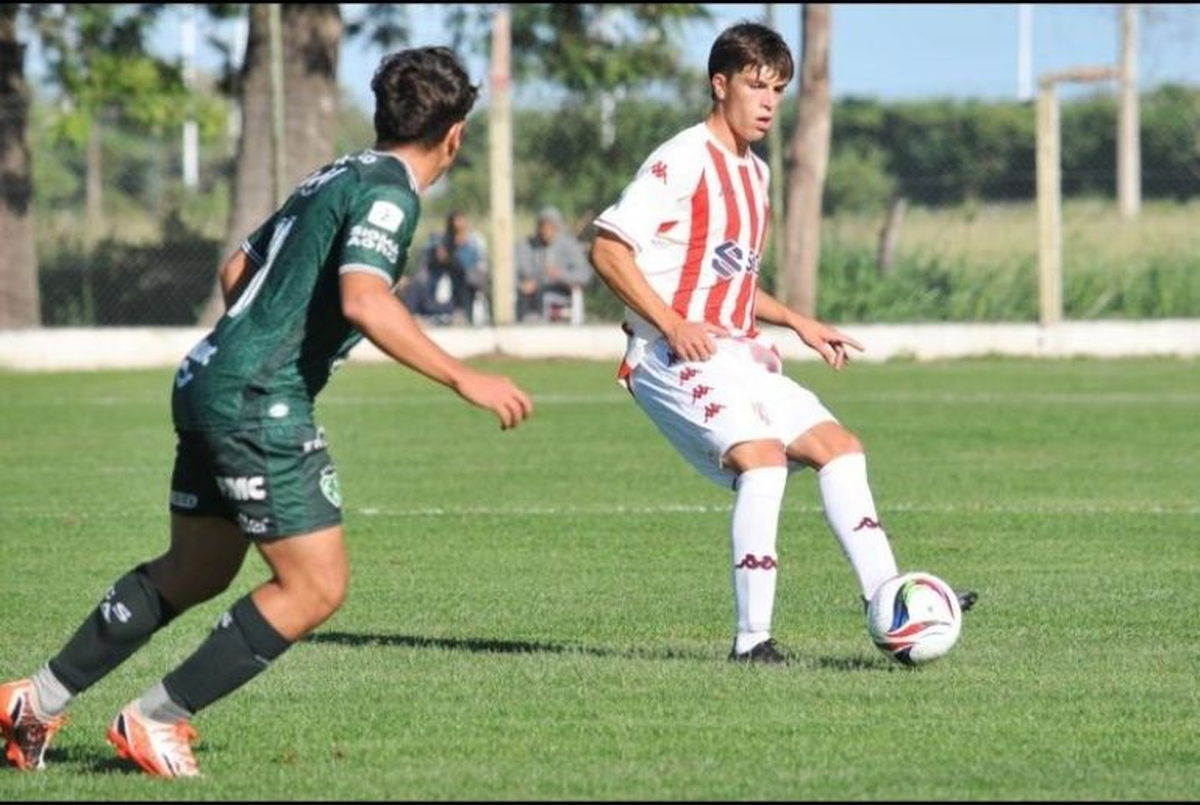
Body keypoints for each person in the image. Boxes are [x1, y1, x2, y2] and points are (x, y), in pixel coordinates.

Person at [0, 46, 533, 777]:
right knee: (316, 584)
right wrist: (462, 377)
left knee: (195, 569)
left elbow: (235, 270)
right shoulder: (392, 191)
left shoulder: (335, 174)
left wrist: (257, 342)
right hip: (255, 398)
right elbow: (364, 298)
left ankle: (38, 698)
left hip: (208, 378)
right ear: (456, 134)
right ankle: (156, 718)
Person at [588, 22, 975, 664]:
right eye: (756, 86)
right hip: (668, 354)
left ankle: (890, 599)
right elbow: (607, 249)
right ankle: (752, 641)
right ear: (720, 86)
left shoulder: (756, 174)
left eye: (779, 90)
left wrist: (796, 320)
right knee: (763, 460)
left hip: (737, 353)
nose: (769, 102)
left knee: (841, 450)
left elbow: (731, 281)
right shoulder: (682, 159)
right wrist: (672, 322)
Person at [402, 210, 489, 324]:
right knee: (415, 285)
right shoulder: (438, 242)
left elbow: (469, 267)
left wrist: (455, 255)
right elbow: (429, 255)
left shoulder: (472, 244)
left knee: (466, 281)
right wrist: (439, 249)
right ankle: (411, 317)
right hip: (434, 293)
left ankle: (463, 315)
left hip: (458, 291)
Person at [515, 206, 592, 323]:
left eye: (551, 227)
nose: (546, 231)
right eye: (543, 227)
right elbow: (512, 273)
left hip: (560, 296)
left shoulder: (570, 246)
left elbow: (585, 275)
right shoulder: (526, 246)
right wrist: (522, 285)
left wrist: (560, 274)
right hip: (530, 300)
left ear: (557, 227)